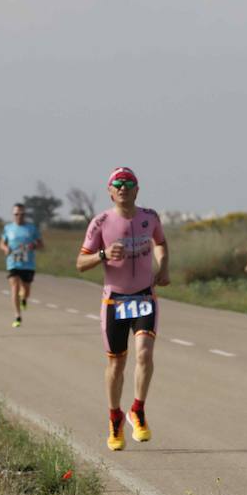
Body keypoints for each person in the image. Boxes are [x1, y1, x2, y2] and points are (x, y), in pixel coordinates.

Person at [77, 167, 169, 452]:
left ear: (137, 189)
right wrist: (103, 254)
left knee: (144, 353)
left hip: (144, 296)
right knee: (116, 364)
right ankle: (115, 418)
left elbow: (161, 243)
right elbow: (80, 263)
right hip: (114, 301)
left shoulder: (150, 217)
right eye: (117, 184)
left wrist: (163, 267)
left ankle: (137, 410)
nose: (123, 188)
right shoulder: (101, 222)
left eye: (129, 183)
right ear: (110, 190)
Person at [0, 202, 42, 327]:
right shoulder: (8, 228)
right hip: (13, 262)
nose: (19, 216)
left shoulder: (31, 228)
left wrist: (33, 245)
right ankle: (17, 316)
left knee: (26, 290)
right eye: (16, 214)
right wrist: (5, 248)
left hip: (28, 264)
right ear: (13, 214)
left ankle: (24, 299)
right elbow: (2, 243)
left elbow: (41, 244)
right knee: (14, 287)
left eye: (21, 214)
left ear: (25, 214)